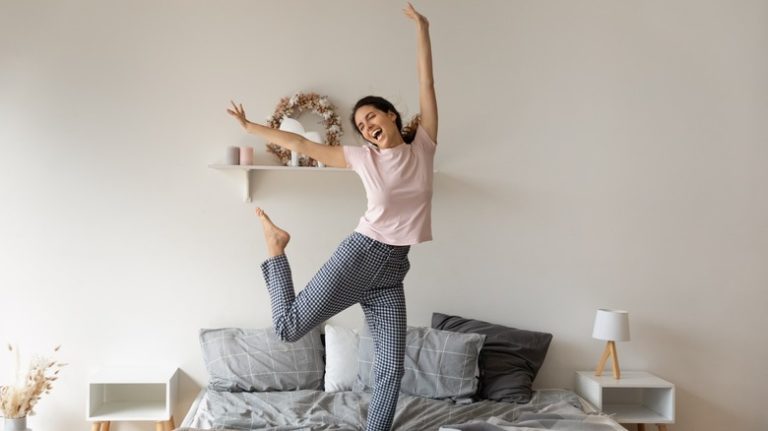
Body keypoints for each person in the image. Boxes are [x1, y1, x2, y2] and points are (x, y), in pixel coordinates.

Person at [226, 3, 436, 430]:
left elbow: (426, 81)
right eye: (361, 124)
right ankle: (276, 249)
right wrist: (253, 129)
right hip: (359, 254)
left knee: (391, 368)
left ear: (391, 115)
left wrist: (423, 29)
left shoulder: (424, 148)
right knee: (288, 328)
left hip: (393, 270)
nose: (367, 125)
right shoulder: (364, 159)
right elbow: (302, 146)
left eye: (372, 116)